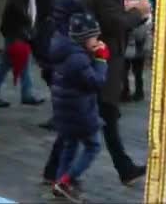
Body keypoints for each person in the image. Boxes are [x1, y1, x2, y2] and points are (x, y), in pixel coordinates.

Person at [77, 0, 151, 185]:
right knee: (100, 116)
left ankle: (124, 167)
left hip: (91, 54)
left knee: (101, 116)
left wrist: (128, 11)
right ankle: (59, 172)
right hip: (102, 57)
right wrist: (138, 12)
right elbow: (115, 24)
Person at [50, 13, 109, 203]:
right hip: (79, 110)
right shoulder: (78, 58)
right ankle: (66, 181)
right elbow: (95, 82)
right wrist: (101, 60)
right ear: (84, 38)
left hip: (65, 108)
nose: (97, 40)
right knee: (93, 146)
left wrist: (91, 53)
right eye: (94, 37)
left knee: (70, 145)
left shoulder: (68, 51)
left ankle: (60, 182)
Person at [41, 0, 87, 183]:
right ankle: (58, 172)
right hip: (69, 58)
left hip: (60, 56)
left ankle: (57, 170)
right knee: (73, 122)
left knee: (71, 122)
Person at [123, 0, 153, 102]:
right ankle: (125, 93)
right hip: (126, 49)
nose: (127, 2)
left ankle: (138, 93)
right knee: (124, 72)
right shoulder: (123, 15)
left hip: (138, 49)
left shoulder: (142, 16)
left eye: (128, 0)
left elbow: (143, 34)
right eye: (125, 0)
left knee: (137, 73)